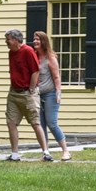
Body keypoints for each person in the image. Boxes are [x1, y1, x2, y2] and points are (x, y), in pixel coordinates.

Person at [3, 28, 52, 162]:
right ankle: (15, 154)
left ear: (15, 40)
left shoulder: (28, 51)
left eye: (8, 39)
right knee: (11, 123)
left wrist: (31, 89)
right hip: (14, 93)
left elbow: (35, 71)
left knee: (35, 123)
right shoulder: (11, 53)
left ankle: (46, 153)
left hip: (27, 93)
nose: (6, 42)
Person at [33, 31, 72, 161]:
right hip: (37, 96)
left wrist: (58, 94)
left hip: (50, 95)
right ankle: (46, 153)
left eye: (38, 39)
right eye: (34, 39)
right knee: (41, 125)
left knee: (52, 123)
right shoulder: (35, 57)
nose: (35, 41)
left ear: (43, 41)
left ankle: (66, 151)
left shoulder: (51, 58)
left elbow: (56, 77)